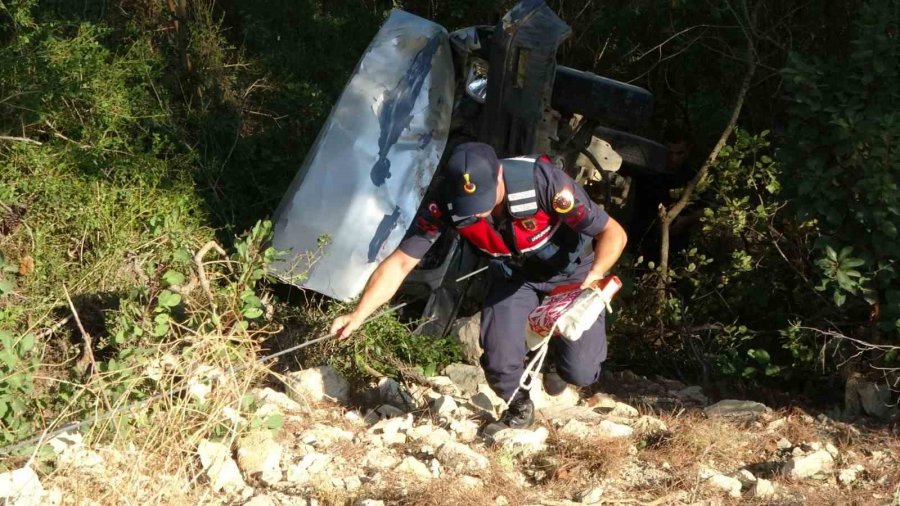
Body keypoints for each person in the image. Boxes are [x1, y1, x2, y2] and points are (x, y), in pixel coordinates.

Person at [330, 142, 627, 431]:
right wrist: (359, 314)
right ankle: (520, 408)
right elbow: (400, 263)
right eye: (470, 205)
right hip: (515, 279)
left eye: (485, 200)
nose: (479, 212)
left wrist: (594, 277)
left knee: (582, 371)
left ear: (499, 174)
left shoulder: (542, 181)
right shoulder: (445, 202)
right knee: (499, 361)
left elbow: (613, 232)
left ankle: (558, 367)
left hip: (573, 275)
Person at [627, 125, 700, 264]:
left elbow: (707, 208)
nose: (673, 158)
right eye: (669, 152)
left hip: (674, 244)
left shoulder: (692, 177)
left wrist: (685, 220)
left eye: (679, 153)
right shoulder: (646, 170)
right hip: (639, 238)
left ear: (688, 151)